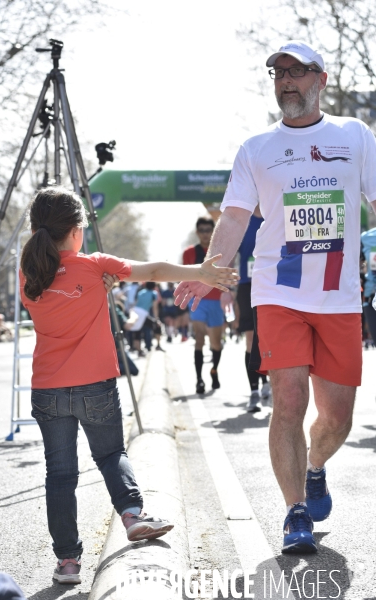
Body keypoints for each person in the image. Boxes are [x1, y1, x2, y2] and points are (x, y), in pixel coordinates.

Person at [174, 40, 376, 554]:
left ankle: (314, 467)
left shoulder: (355, 136)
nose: (285, 80)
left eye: (297, 71)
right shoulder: (255, 148)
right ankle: (294, 514)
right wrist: (208, 272)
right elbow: (236, 218)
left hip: (338, 296)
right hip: (278, 290)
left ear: (321, 80)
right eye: (277, 72)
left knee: (337, 419)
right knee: (287, 400)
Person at [19, 186, 237, 584]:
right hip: (95, 386)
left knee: (60, 475)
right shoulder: (94, 265)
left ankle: (67, 563)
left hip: (48, 389)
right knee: (110, 454)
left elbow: (61, 296)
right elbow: (152, 272)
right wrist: (200, 272)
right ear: (76, 231)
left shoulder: (29, 273)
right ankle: (133, 516)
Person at [183, 217, 228, 394]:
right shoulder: (189, 253)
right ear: (197, 232)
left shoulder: (221, 253)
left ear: (213, 231)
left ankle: (214, 370)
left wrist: (228, 295)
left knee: (216, 343)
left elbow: (227, 275)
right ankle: (199, 380)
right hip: (197, 301)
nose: (205, 234)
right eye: (201, 230)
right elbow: (184, 276)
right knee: (199, 339)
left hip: (216, 301)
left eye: (208, 230)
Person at [236, 207, 271, 412]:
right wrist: (224, 289)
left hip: (272, 284)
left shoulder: (274, 213)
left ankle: (267, 382)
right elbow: (229, 254)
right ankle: (254, 392)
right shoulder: (242, 220)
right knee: (251, 340)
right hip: (247, 286)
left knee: (268, 338)